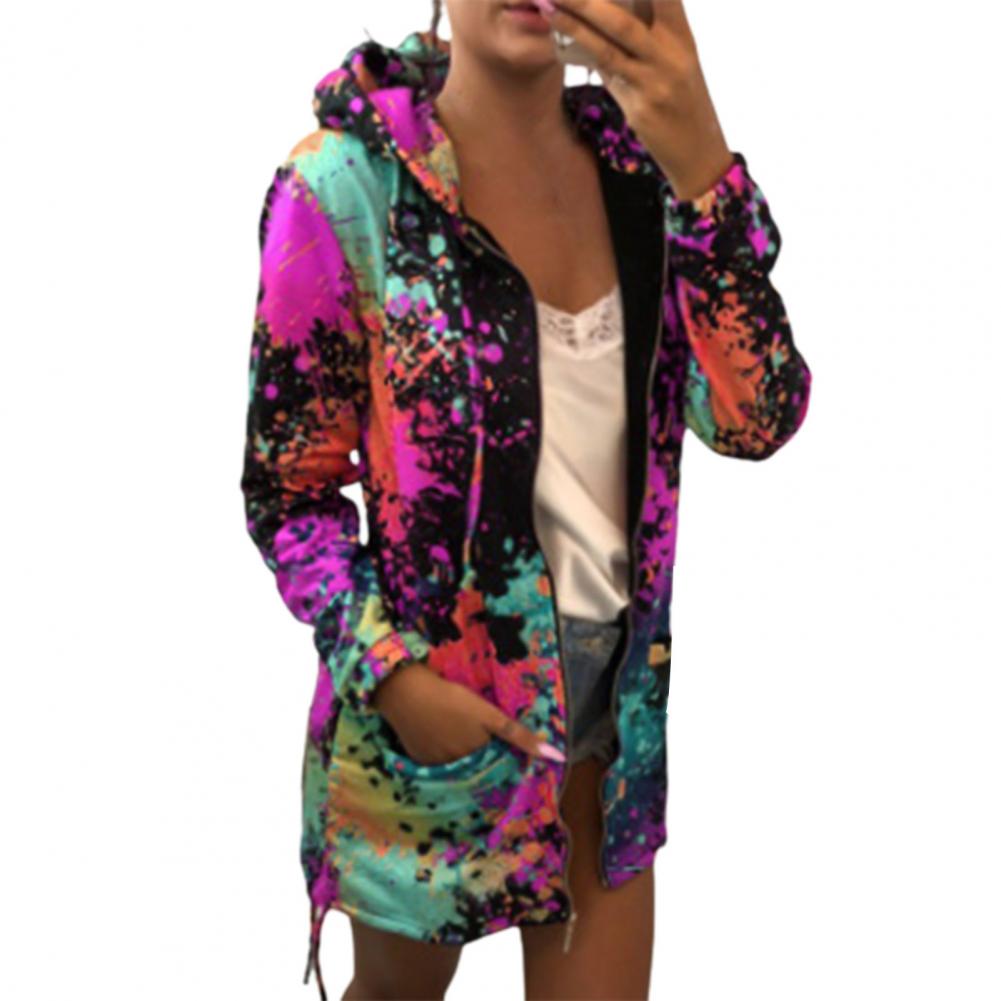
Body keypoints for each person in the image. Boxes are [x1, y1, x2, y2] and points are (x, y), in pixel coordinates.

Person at [240, 2, 812, 998]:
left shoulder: (644, 175)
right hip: (433, 726)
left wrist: (702, 167)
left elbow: (754, 416)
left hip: (607, 730)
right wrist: (393, 678)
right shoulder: (344, 186)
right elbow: (289, 491)